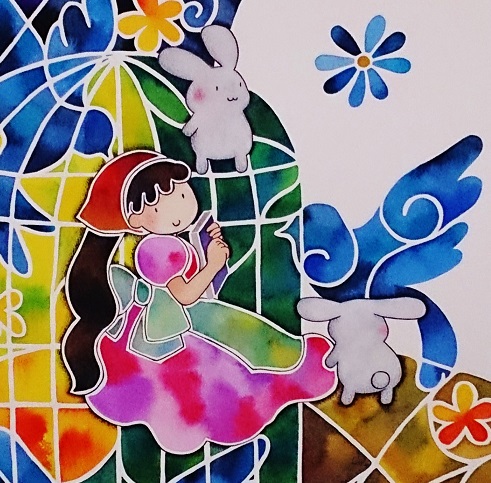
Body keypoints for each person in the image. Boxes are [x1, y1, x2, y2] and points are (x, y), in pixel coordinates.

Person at [62, 151, 336, 454]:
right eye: (162, 203)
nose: (181, 204)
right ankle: (283, 379)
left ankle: (289, 371)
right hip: (172, 327)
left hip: (184, 317)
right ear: (135, 219)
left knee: (235, 345)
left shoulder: (171, 242)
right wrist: (213, 263)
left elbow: (195, 288)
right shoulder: (155, 250)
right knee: (222, 363)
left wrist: (207, 250)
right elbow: (184, 294)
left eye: (182, 192)